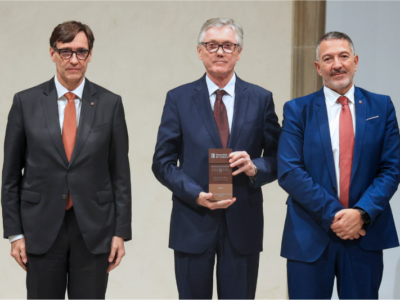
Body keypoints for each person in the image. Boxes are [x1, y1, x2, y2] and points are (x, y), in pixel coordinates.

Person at [1, 21, 131, 300]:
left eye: (81, 52)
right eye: (66, 51)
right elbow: (10, 175)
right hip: (40, 229)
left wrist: (120, 233)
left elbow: (120, 175)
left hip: (94, 230)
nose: (74, 59)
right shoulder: (26, 102)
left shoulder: (110, 104)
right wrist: (14, 234)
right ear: (52, 53)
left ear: (90, 55)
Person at [152, 18, 281, 300]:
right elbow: (162, 163)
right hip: (193, 220)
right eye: (212, 45)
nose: (219, 52)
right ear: (200, 51)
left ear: (239, 52)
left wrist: (254, 167)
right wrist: (195, 193)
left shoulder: (260, 99)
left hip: (242, 223)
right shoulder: (179, 98)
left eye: (227, 45)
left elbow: (280, 158)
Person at [278, 31, 400, 300]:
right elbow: (289, 171)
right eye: (328, 58)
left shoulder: (382, 106)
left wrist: (361, 213)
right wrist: (338, 215)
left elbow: (391, 169)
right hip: (309, 235)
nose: (337, 64)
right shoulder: (297, 110)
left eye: (343, 56)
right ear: (318, 67)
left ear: (355, 61)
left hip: (364, 234)